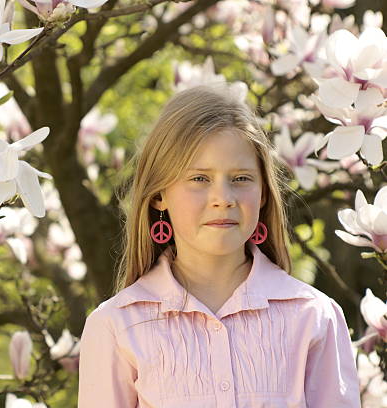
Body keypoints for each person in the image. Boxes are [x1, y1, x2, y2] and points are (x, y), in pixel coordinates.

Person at [77, 85, 361, 407]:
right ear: (159, 195)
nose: (223, 199)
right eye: (199, 179)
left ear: (264, 193)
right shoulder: (114, 325)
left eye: (241, 178)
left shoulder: (315, 317)